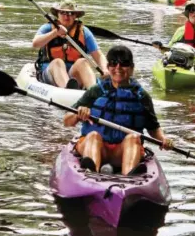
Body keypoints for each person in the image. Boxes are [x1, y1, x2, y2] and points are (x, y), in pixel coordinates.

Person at [64, 45, 171, 175]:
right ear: (108, 67)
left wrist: (163, 139)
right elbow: (67, 121)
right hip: (94, 147)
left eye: (124, 63)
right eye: (114, 63)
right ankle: (91, 174)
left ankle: (129, 178)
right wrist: (78, 114)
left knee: (133, 138)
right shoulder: (96, 91)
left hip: (121, 153)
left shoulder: (141, 96)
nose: (118, 68)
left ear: (131, 68)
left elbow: (153, 128)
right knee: (93, 135)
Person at [32, 0, 108, 89]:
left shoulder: (84, 32)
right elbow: (35, 44)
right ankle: (66, 90)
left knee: (83, 62)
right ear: (57, 14)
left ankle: (93, 91)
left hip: (73, 75)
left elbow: (98, 55)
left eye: (71, 13)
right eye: (63, 12)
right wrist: (55, 33)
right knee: (58, 62)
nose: (66, 16)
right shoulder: (47, 28)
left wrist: (104, 69)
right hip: (51, 72)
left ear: (75, 16)